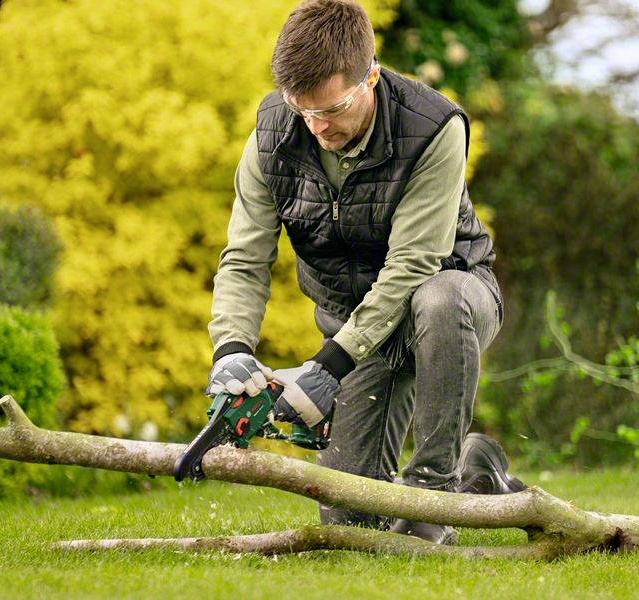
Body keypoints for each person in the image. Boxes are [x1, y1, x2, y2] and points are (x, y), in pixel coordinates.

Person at [205, 0, 524, 545]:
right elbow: (245, 257)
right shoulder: (272, 137)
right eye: (303, 110)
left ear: (370, 77)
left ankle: (434, 491)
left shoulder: (434, 128)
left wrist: (329, 365)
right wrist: (231, 348)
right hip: (357, 329)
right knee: (350, 517)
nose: (317, 125)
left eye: (331, 108)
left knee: (439, 297)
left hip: (450, 298)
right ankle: (481, 473)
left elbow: (412, 266)